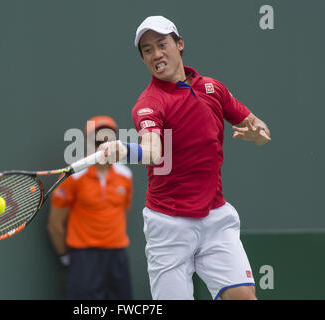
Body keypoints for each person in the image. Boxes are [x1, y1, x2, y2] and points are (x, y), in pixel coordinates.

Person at [98, 16, 271, 300]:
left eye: (162, 44)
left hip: (216, 218)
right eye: (147, 50)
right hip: (168, 226)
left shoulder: (213, 89)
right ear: (143, 59)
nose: (156, 54)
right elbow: (154, 152)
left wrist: (257, 135)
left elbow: (259, 127)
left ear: (180, 44)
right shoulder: (149, 104)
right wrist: (126, 150)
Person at [48, 115, 133, 300]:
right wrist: (67, 257)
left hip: (117, 256)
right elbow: (55, 224)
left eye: (109, 142)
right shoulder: (73, 177)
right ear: (87, 143)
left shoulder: (125, 175)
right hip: (84, 257)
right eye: (97, 141)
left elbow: (123, 213)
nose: (103, 148)